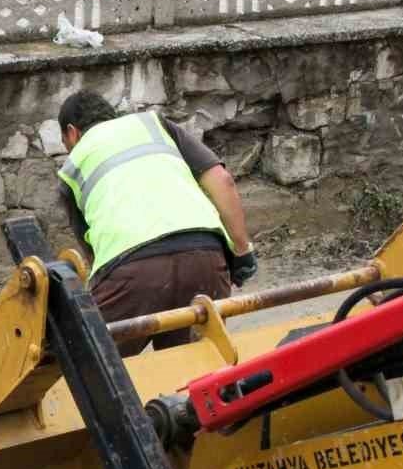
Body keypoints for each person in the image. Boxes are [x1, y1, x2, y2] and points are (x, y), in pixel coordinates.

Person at [56, 92, 257, 350]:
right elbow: (223, 180)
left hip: (131, 273)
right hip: (205, 259)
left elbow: (94, 257)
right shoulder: (155, 125)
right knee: (194, 366)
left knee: (92, 362)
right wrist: (241, 252)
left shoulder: (72, 168)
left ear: (72, 132)